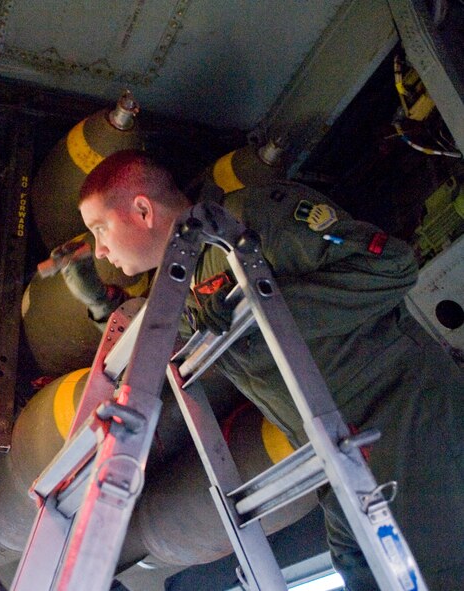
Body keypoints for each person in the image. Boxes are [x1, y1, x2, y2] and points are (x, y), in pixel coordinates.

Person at [56, 149, 464, 590]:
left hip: (407, 423)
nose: (99, 249)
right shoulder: (183, 291)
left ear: (141, 209)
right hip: (341, 457)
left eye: (100, 229)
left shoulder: (253, 220)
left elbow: (389, 266)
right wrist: (100, 306)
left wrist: (263, 307)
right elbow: (157, 365)